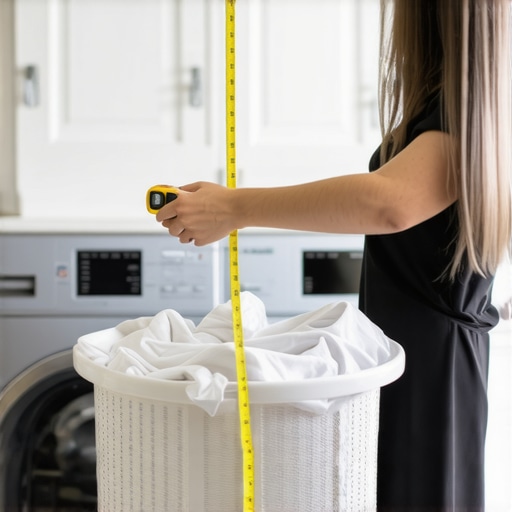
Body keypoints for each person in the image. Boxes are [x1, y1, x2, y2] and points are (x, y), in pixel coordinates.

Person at [156, 1, 512, 510]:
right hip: (417, 361)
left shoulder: (468, 114)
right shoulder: (467, 107)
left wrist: (235, 207)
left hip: (430, 375)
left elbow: (387, 203)